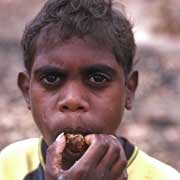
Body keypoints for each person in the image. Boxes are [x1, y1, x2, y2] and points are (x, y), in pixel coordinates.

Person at [0, 0, 179, 179]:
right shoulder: (9, 166)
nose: (72, 100)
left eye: (98, 79)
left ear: (129, 90)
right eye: (51, 79)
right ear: (26, 91)